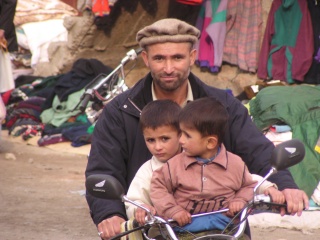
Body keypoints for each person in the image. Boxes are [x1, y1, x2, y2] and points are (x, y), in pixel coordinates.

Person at [85, 18, 309, 239]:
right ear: (146, 59)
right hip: (154, 228)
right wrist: (110, 213)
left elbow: (257, 150)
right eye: (159, 58)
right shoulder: (120, 111)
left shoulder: (222, 106)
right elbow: (104, 168)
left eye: (178, 57)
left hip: (223, 228)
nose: (169, 67)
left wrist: (285, 186)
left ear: (192, 57)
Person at [125, 99, 182, 223]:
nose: (157, 147)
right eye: (151, 140)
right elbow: (132, 201)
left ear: (180, 134)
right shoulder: (147, 171)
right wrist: (141, 208)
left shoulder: (198, 160)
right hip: (165, 231)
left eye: (164, 139)